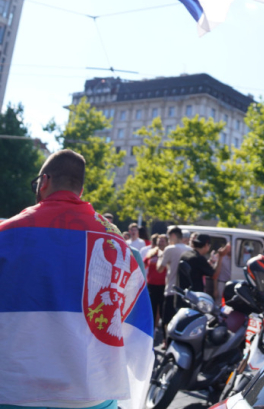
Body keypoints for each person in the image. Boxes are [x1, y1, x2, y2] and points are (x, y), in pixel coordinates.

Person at [0, 149, 153, 408]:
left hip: (13, 390)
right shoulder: (119, 245)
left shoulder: (6, 234)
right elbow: (138, 332)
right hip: (92, 394)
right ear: (80, 191)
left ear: (44, 182)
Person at [156, 226, 189, 334]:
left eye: (169, 237)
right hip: (185, 291)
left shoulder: (170, 249)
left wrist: (161, 255)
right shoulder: (189, 249)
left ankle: (166, 341)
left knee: (167, 319)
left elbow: (159, 269)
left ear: (173, 236)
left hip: (171, 289)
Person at [144, 233, 168, 329]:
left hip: (163, 286)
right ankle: (151, 332)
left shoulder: (168, 253)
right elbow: (143, 263)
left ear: (166, 242)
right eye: (159, 240)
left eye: (162, 241)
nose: (160, 242)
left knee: (163, 312)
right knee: (151, 311)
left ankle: (164, 336)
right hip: (151, 286)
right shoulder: (151, 253)